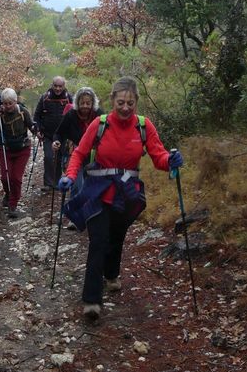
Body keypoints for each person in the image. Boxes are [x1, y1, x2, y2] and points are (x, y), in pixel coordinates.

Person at [58, 76, 184, 321]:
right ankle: (92, 300)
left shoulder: (144, 126)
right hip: (98, 189)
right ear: (112, 101)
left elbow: (158, 156)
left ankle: (112, 274)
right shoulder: (100, 124)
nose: (125, 108)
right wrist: (70, 177)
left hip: (127, 193)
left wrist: (171, 161)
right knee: (98, 241)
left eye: (130, 103)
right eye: (120, 103)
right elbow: (79, 153)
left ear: (136, 102)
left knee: (116, 236)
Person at [52, 86, 102, 227]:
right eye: (82, 103)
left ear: (93, 103)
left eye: (88, 103)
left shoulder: (99, 115)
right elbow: (59, 133)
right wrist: (56, 142)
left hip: (94, 154)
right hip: (75, 153)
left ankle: (90, 213)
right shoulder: (71, 115)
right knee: (76, 184)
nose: (85, 106)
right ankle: (75, 216)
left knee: (91, 184)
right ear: (77, 103)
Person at [0, 88, 37, 219]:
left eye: (10, 103)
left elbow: (31, 125)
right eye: (5, 103)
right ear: (2, 103)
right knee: (5, 178)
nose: (8, 106)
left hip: (22, 148)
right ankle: (8, 193)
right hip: (7, 149)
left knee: (15, 178)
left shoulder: (23, 111)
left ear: (15, 101)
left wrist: (36, 131)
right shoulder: (0, 114)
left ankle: (13, 205)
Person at [33, 76, 72, 192]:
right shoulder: (45, 98)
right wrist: (38, 130)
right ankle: (48, 183)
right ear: (52, 85)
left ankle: (56, 182)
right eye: (56, 86)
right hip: (48, 135)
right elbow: (37, 116)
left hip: (63, 135)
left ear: (64, 86)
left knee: (59, 159)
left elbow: (74, 115)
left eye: (60, 86)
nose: (58, 89)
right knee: (49, 157)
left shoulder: (69, 98)